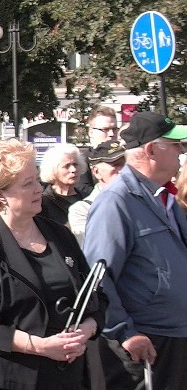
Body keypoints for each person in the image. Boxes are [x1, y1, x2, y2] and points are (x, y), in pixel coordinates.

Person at [0, 139, 105, 390]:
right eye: (28, 183)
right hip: (13, 377)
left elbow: (96, 297)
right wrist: (42, 347)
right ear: (0, 195)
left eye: (36, 179)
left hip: (69, 374)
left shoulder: (60, 235)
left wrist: (86, 330)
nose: (39, 188)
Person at [84, 112, 187, 390]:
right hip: (145, 344)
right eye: (175, 144)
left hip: (173, 335)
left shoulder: (164, 195)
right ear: (152, 149)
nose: (182, 150)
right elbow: (97, 280)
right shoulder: (115, 201)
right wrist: (125, 332)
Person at [67, 140, 125, 246]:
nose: (122, 171)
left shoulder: (140, 199)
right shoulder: (82, 210)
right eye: (116, 165)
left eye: (125, 165)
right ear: (96, 172)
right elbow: (91, 247)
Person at [38, 144, 88, 227]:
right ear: (53, 170)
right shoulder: (43, 203)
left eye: (75, 164)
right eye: (66, 166)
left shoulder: (87, 199)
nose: (73, 170)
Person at [76, 107, 119, 195]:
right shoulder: (82, 162)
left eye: (114, 129)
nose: (111, 134)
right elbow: (83, 190)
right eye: (105, 130)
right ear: (91, 132)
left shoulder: (126, 158)